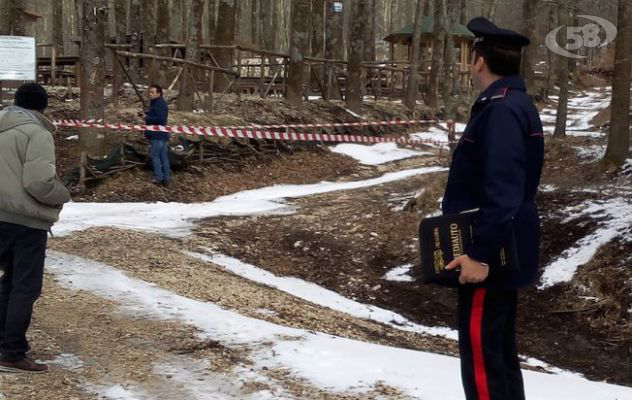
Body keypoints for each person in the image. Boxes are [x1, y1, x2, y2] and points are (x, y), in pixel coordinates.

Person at [442, 17, 544, 400]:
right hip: (502, 245)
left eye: (471, 56)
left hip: (491, 253)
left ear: (479, 61)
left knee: (484, 357)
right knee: (497, 353)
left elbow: (503, 190)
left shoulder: (500, 110)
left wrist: (480, 256)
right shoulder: (511, 104)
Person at [0, 83, 71, 373]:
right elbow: (39, 182)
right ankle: (12, 353)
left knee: (9, 282)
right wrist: (63, 194)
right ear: (42, 107)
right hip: (24, 221)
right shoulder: (37, 132)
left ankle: (4, 344)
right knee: (24, 287)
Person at [144, 84, 170, 186]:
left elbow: (161, 119)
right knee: (163, 156)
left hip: (157, 135)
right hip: (160, 134)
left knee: (155, 156)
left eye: (152, 92)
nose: (150, 94)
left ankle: (159, 178)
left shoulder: (159, 104)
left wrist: (146, 117)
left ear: (158, 93)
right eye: (149, 92)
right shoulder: (156, 104)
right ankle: (166, 179)